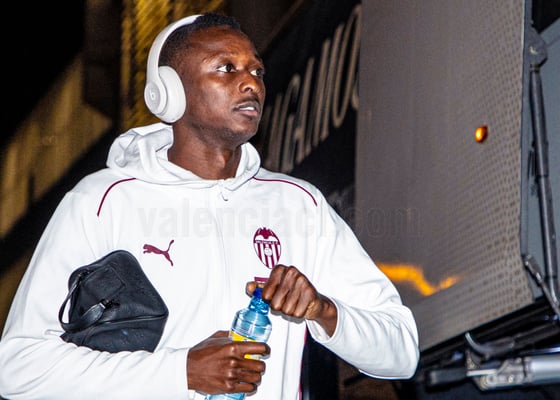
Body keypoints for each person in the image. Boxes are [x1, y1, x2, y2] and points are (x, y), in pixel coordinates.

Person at [0, 12, 419, 399]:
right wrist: (180, 371)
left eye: (257, 70)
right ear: (168, 92)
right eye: (226, 68)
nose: (251, 83)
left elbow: (401, 352)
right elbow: (18, 367)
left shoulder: (300, 204)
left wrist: (323, 311)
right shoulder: (102, 201)